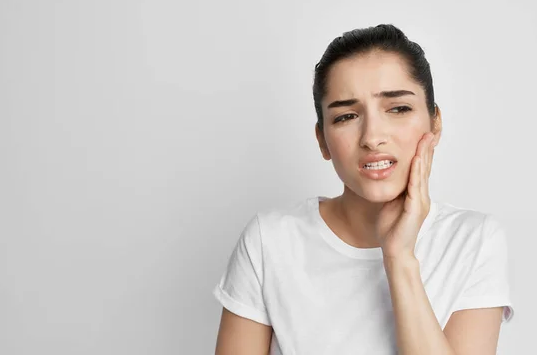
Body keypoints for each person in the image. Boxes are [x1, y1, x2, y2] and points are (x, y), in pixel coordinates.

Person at [212, 24, 514, 355]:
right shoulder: (269, 241)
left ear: (435, 122)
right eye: (346, 116)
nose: (372, 137)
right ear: (322, 140)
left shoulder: (473, 240)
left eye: (398, 108)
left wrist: (399, 258)